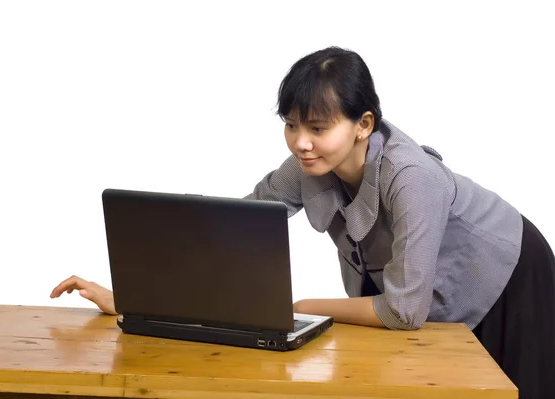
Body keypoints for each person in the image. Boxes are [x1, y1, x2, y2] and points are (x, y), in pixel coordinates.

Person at [51, 47, 555, 399]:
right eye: (292, 125)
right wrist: (137, 298)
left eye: (317, 127)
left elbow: (404, 311)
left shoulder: (411, 176)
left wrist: (299, 308)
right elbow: (229, 235)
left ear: (364, 125)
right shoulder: (304, 167)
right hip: (420, 294)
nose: (300, 142)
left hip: (507, 274)